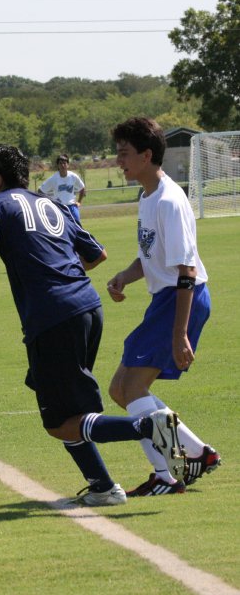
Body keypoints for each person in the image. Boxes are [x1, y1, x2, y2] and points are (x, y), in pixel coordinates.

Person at [0, 145, 184, 507]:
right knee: (67, 411)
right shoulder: (52, 203)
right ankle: (103, 486)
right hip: (87, 308)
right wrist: (61, 275)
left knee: (58, 423)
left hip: (52, 317)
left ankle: (147, 427)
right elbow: (97, 254)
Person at [106, 117, 220, 496]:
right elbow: (153, 257)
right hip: (166, 299)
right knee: (121, 389)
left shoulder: (170, 201)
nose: (118, 161)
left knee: (133, 387)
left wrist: (179, 335)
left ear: (147, 155)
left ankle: (166, 476)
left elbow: (186, 270)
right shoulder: (148, 196)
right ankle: (197, 453)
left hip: (180, 299)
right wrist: (124, 275)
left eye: (124, 154)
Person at [39, 154, 86, 223]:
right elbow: (40, 191)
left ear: (68, 165)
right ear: (58, 165)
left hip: (72, 206)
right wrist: (50, 201)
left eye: (64, 163)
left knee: (77, 228)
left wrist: (79, 202)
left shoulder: (73, 176)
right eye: (60, 163)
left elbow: (82, 188)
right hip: (59, 208)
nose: (63, 165)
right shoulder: (53, 178)